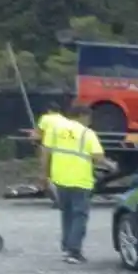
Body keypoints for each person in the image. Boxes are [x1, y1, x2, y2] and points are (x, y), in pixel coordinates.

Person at [38, 104, 106, 263]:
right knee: (79, 216)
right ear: (82, 116)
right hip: (81, 180)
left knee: (67, 214)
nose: (90, 122)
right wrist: (111, 165)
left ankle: (67, 246)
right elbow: (98, 157)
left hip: (60, 179)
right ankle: (74, 251)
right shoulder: (87, 133)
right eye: (89, 118)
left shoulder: (55, 130)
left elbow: (45, 153)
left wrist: (43, 174)